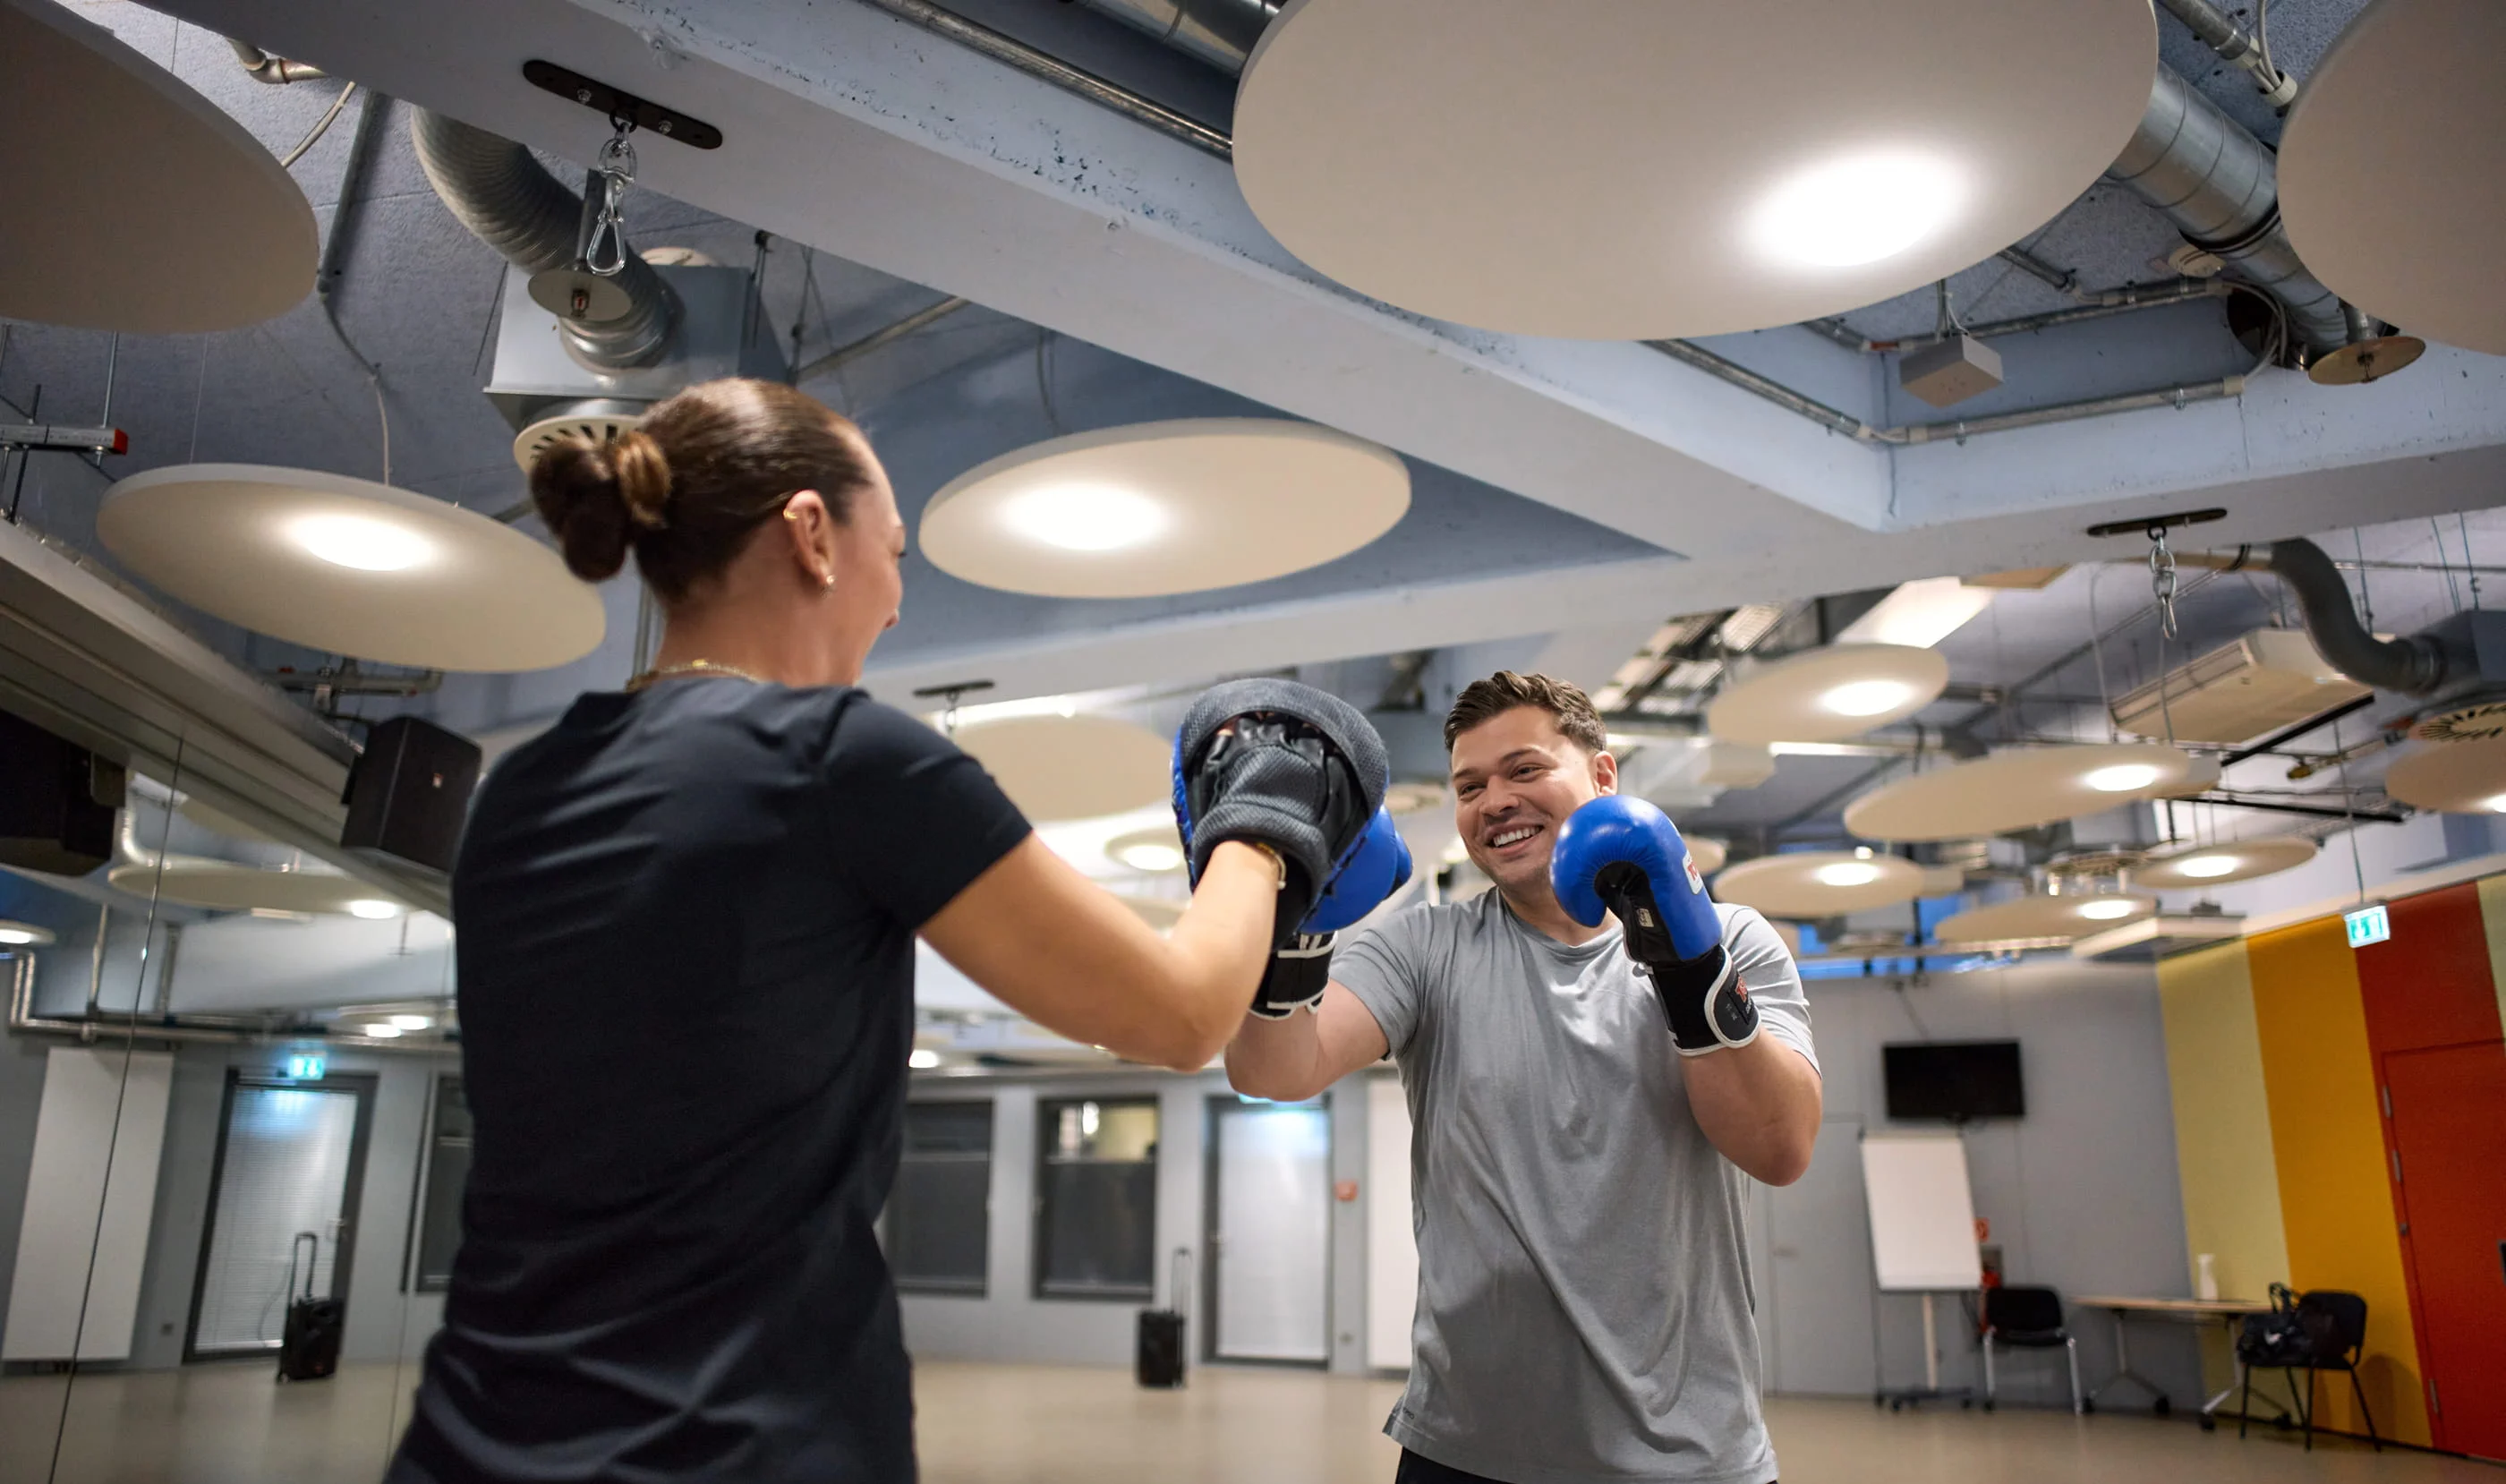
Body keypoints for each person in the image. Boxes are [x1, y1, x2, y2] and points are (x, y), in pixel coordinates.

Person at [387, 378, 1385, 1484]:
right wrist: (1269, 812)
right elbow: (1183, 1013)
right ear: (812, 533)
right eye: (896, 551)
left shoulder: (523, 786)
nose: (898, 600)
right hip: (739, 1446)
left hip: (469, 1437)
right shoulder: (841, 759)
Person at [1226, 670, 1823, 1484]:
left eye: (1525, 770)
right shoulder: (1423, 949)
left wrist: (1689, 968)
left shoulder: (1734, 940)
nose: (1493, 800)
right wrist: (1288, 914)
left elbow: (1779, 1146)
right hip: (1466, 1450)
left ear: (1604, 776)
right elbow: (1274, 1069)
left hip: (1687, 1452)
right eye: (1470, 786)